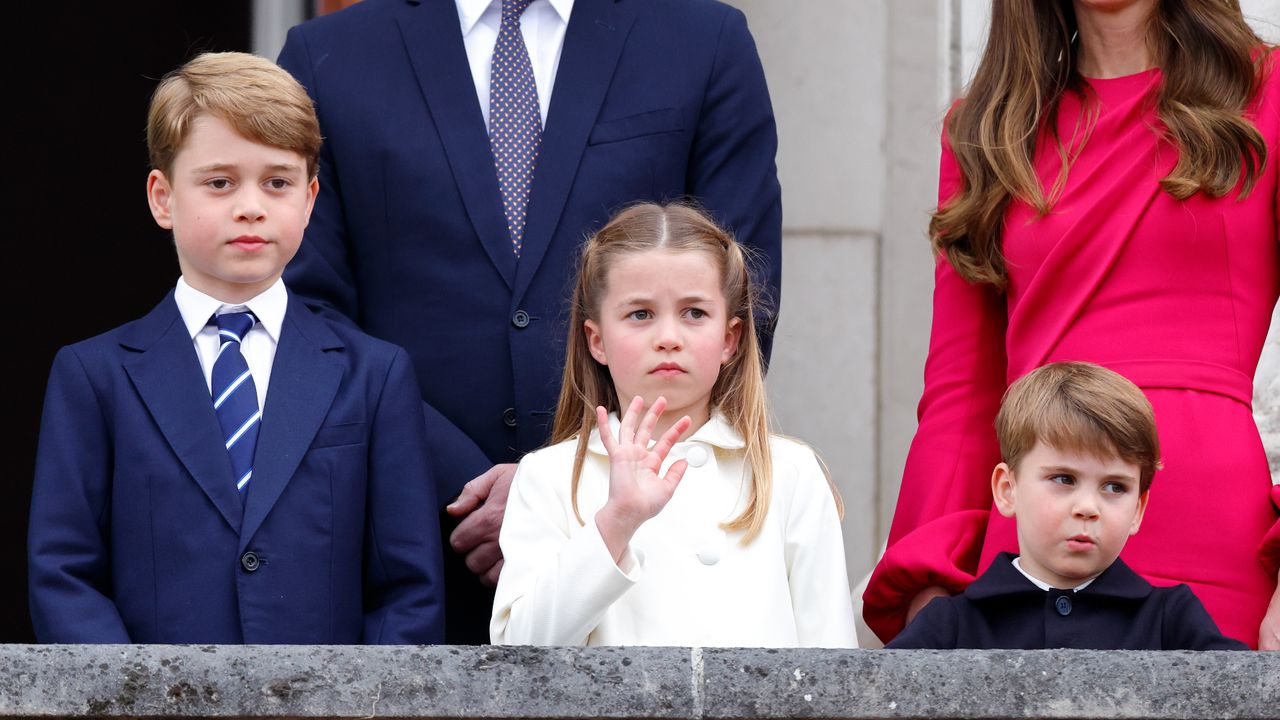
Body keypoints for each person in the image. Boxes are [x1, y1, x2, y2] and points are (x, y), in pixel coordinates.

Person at [276, 0, 782, 643]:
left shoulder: (703, 40)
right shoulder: (330, 58)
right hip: (407, 555)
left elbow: (736, 295)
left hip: (647, 555)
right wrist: (465, 485)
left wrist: (568, 484)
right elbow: (303, 314)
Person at [864, 0, 1280, 650]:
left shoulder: (1269, 93)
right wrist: (931, 583)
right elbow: (961, 390)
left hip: (1218, 541)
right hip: (1036, 543)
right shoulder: (987, 129)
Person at [26, 52, 445, 644]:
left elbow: (408, 589)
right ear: (162, 197)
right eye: (220, 182)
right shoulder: (93, 376)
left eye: (278, 182)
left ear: (309, 198)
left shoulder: (374, 375)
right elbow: (63, 573)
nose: (251, 205)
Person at [489, 203, 853, 646]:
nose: (668, 337)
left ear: (730, 339)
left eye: (694, 313)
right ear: (597, 341)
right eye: (640, 314)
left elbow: (834, 669)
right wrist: (616, 522)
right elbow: (519, 654)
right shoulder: (548, 477)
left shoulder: (790, 474)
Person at [888, 363, 1246, 650]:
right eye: (1063, 479)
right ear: (1007, 489)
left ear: (1138, 508)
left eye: (1114, 486)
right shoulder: (951, 623)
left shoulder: (1171, 619)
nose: (1088, 507)